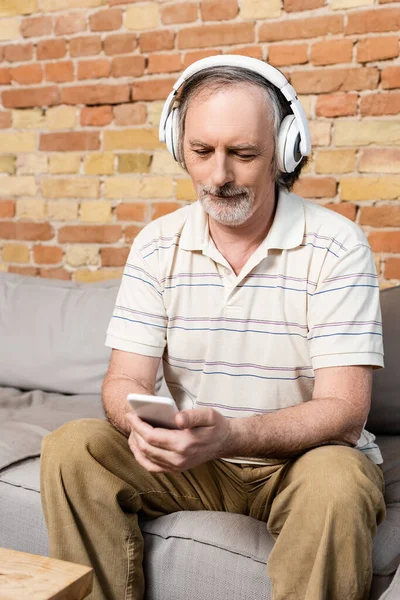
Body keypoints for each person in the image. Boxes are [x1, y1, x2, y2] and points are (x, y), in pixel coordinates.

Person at [40, 55, 386, 600]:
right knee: (71, 448)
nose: (219, 176)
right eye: (201, 152)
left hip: (300, 464)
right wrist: (144, 427)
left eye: (243, 154)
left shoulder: (337, 245)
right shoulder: (157, 243)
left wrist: (231, 434)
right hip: (197, 464)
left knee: (339, 484)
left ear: (284, 151)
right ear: (181, 148)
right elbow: (122, 382)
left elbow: (344, 412)